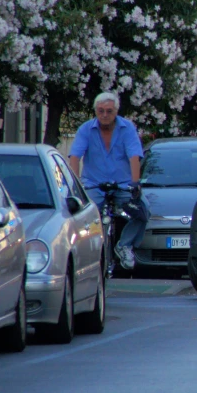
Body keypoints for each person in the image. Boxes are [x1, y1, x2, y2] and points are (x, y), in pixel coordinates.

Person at [69, 92, 149, 270]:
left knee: (142, 211)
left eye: (109, 111)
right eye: (101, 111)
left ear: (116, 111)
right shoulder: (86, 129)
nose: (104, 115)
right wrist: (76, 184)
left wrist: (135, 184)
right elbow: (75, 156)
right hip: (93, 185)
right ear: (96, 111)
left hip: (123, 184)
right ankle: (86, 251)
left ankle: (125, 245)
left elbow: (134, 157)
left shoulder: (127, 128)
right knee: (83, 216)